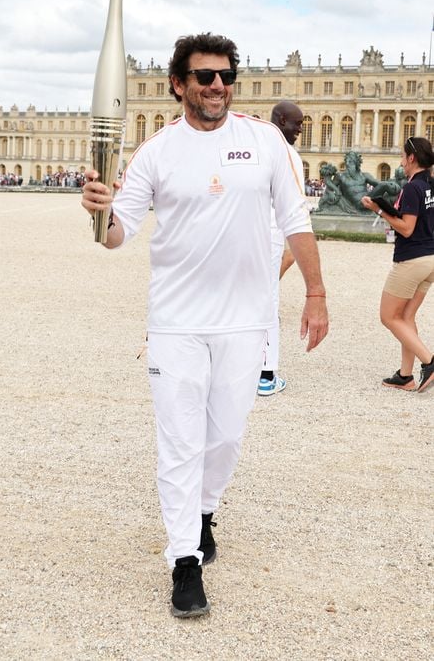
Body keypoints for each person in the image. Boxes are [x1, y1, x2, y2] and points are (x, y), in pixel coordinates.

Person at [82, 33, 328, 619]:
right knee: (180, 442)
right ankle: (184, 561)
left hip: (245, 319)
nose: (218, 86)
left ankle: (203, 511)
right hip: (176, 322)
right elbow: (118, 235)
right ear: (179, 84)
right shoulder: (156, 151)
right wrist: (99, 211)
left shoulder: (264, 141)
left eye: (226, 76)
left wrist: (316, 292)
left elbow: (296, 220)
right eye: (205, 76)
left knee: (225, 439)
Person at [361, 136, 434, 392]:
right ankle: (405, 376)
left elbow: (406, 228)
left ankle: (429, 362)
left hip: (412, 259)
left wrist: (378, 210)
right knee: (406, 316)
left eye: (403, 156)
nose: (401, 162)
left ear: (412, 158)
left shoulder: (413, 188)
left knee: (389, 316)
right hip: (430, 259)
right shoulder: (430, 185)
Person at [258, 101, 305, 396]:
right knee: (268, 302)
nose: (300, 130)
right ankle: (266, 375)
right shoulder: (288, 155)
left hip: (247, 233)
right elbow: (295, 207)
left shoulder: (256, 148)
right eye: (297, 124)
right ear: (282, 119)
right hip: (271, 234)